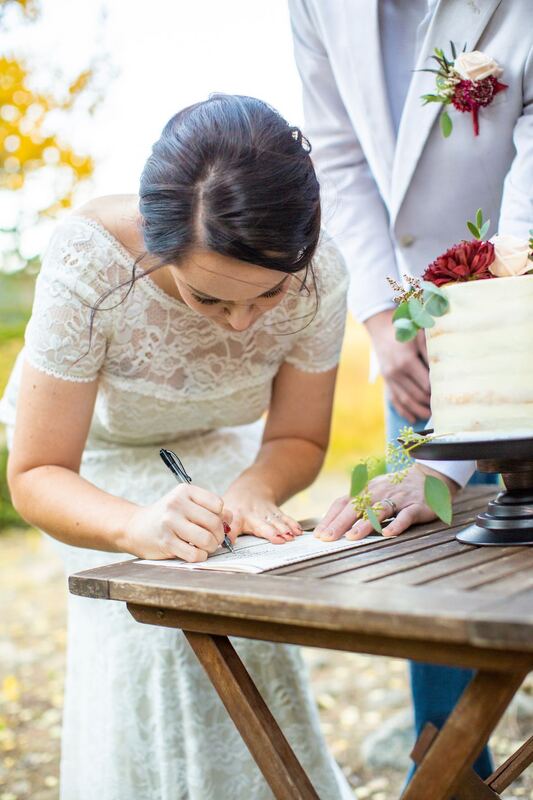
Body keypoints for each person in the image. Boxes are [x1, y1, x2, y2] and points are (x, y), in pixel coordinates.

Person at [0, 95, 354, 800]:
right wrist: (136, 526)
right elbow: (37, 471)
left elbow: (297, 437)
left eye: (267, 295)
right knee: (158, 631)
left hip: (225, 455)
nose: (241, 325)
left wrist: (254, 490)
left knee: (253, 616)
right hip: (97, 473)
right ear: (155, 244)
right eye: (210, 299)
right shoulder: (90, 260)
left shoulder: (321, 275)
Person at [288, 0, 532, 781]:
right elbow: (337, 154)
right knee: (430, 560)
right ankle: (451, 780)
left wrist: (480, 327)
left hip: (511, 296)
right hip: (412, 334)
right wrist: (382, 318)